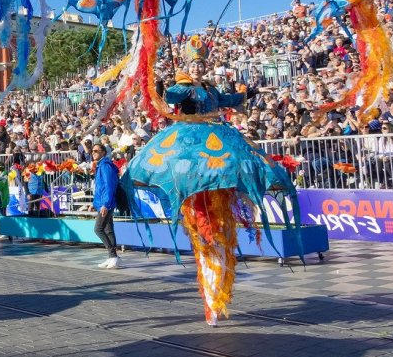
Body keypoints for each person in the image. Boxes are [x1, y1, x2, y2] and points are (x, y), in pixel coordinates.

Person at [121, 36, 298, 327]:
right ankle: (211, 297)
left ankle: (215, 295)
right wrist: (167, 88)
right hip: (191, 143)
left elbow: (228, 101)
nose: (200, 67)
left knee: (221, 225)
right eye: (195, 63)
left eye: (202, 63)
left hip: (217, 140)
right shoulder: (185, 87)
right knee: (206, 231)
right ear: (189, 65)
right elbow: (173, 99)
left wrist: (249, 92)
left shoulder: (210, 88)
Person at [91, 144, 120, 268]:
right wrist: (95, 204)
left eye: (96, 151)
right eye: (92, 151)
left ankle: (113, 255)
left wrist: (105, 204)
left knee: (98, 229)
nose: (94, 153)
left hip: (107, 203)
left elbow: (109, 186)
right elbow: (100, 188)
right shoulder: (100, 166)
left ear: (103, 152)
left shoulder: (105, 166)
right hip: (102, 203)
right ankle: (113, 257)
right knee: (108, 229)